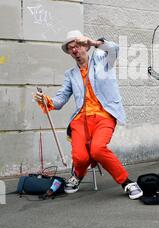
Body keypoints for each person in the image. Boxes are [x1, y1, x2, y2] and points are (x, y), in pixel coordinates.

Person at [34, 30, 143, 200]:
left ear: (85, 46)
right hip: (81, 120)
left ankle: (127, 182)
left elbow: (114, 48)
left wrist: (92, 42)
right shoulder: (70, 74)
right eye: (71, 48)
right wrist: (46, 100)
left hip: (104, 116)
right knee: (80, 156)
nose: (75, 50)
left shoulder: (102, 59)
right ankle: (77, 175)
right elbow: (60, 100)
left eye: (77, 46)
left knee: (98, 150)